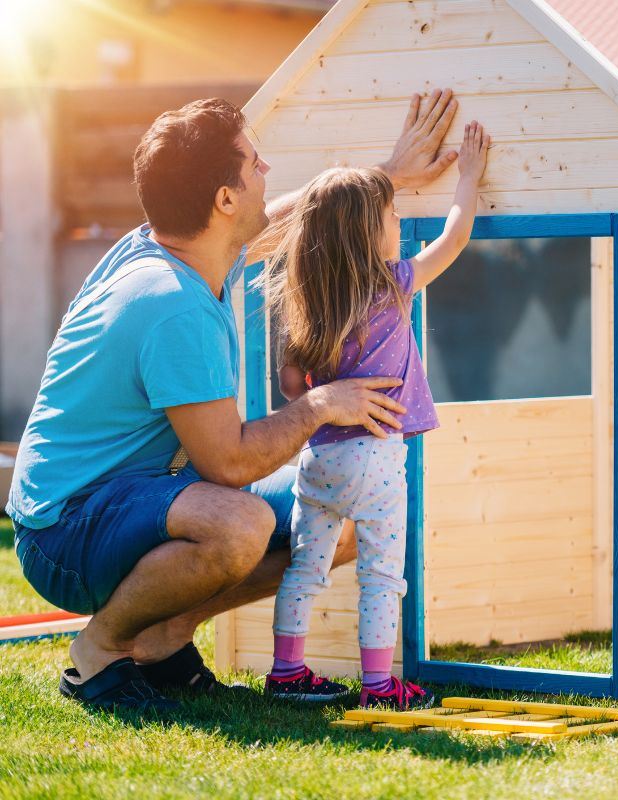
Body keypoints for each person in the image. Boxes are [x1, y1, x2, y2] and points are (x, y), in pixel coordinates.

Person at [4, 90, 460, 712]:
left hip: (130, 498)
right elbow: (229, 465)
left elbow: (287, 215)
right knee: (241, 525)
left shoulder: (183, 245)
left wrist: (384, 178)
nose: (265, 172)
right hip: (65, 529)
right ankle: (97, 654)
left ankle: (163, 635)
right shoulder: (171, 305)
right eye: (253, 164)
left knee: (343, 505)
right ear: (223, 200)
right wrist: (320, 405)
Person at [261, 122, 490, 711]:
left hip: (319, 458)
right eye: (391, 217)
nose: (398, 224)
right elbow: (455, 237)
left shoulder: (308, 298)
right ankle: (380, 684)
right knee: (383, 576)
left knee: (304, 570)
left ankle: (286, 671)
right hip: (378, 456)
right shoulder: (393, 284)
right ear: (368, 232)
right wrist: (468, 177)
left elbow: (291, 385)